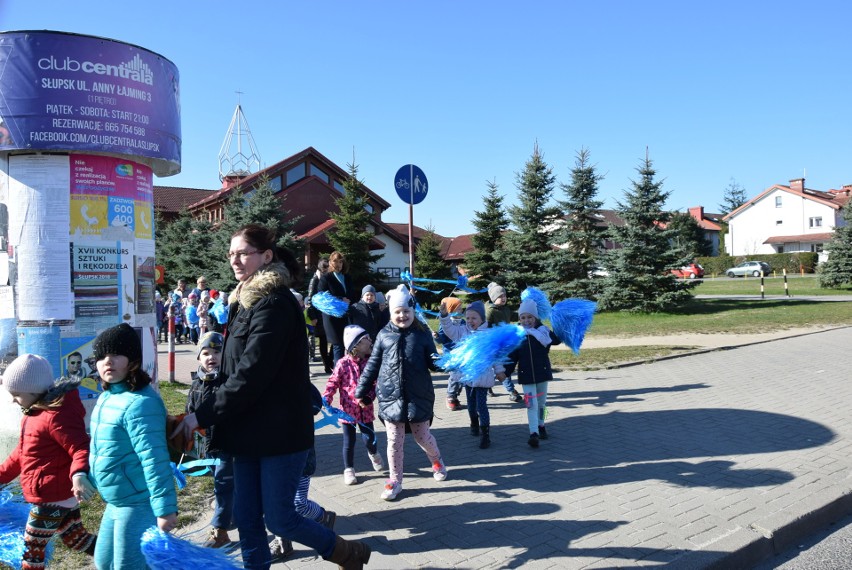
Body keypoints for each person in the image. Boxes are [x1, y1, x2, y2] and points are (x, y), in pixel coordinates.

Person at [171, 224, 371, 569]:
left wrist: (200, 416)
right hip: (245, 430)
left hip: (280, 431)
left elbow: (251, 374)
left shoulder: (275, 303)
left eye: (243, 253)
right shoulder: (242, 299)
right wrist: (204, 402)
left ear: (266, 257)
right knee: (248, 519)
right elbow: (232, 369)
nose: (235, 259)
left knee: (279, 519)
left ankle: (344, 551)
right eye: (231, 253)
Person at [88, 323, 178, 568]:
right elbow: (102, 449)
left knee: (127, 566)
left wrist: (165, 509)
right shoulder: (108, 397)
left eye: (116, 354)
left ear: (133, 361)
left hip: (138, 503)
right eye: (102, 356)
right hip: (115, 502)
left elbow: (155, 461)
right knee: (104, 562)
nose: (108, 361)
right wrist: (86, 476)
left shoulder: (141, 404)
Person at [0, 354, 98, 568]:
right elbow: (22, 453)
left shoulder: (55, 416)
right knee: (76, 539)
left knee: (32, 548)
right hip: (56, 493)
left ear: (34, 390)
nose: (13, 400)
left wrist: (79, 474)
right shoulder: (34, 413)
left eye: (16, 394)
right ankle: (119, 555)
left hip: (52, 496)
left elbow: (80, 446)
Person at [355, 284, 447, 502]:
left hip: (418, 395)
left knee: (422, 437)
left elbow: (433, 362)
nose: (402, 315)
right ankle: (395, 480)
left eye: (406, 311)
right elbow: (373, 364)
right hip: (390, 397)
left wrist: (447, 363)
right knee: (394, 441)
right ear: (391, 313)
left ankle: (437, 460)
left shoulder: (422, 334)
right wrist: (361, 389)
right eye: (397, 311)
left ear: (413, 311)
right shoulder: (384, 335)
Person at [184, 331, 235, 549]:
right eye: (205, 352)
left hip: (227, 444)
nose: (211, 356)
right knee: (222, 484)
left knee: (223, 485)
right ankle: (230, 514)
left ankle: (220, 532)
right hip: (208, 447)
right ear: (198, 357)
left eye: (216, 351)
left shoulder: (228, 381)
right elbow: (189, 412)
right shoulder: (196, 383)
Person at [439, 300, 504, 449]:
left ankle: (485, 434)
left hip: (482, 378)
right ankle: (474, 423)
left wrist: (499, 371)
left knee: (482, 406)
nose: (470, 321)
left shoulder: (488, 336)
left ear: (482, 319)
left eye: (474, 318)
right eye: (468, 318)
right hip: (468, 378)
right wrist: (444, 316)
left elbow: (495, 356)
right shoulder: (463, 331)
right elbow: (450, 331)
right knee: (471, 406)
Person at [323, 325, 383, 486]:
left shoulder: (371, 362)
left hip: (365, 409)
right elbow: (332, 382)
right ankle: (349, 469)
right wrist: (326, 399)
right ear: (355, 345)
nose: (370, 341)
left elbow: (376, 383)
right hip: (347, 410)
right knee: (349, 441)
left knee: (369, 438)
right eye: (366, 339)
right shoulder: (343, 364)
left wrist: (370, 397)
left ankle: (373, 452)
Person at [503, 299, 561, 448]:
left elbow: (556, 340)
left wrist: (544, 327)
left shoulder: (543, 332)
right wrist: (505, 372)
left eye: (530, 317)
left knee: (542, 404)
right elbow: (512, 357)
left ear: (535, 318)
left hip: (542, 374)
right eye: (523, 317)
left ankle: (541, 425)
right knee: (530, 405)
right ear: (519, 319)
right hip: (526, 376)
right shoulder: (517, 336)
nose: (526, 320)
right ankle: (533, 433)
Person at [485, 282, 523, 402]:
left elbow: (514, 316)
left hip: (504, 344)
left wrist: (523, 311)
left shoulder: (506, 309)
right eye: (500, 296)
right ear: (493, 298)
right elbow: (485, 327)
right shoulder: (490, 311)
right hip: (492, 344)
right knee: (498, 367)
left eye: (504, 296)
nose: (503, 298)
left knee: (501, 367)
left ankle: (488, 387)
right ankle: (511, 391)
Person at [318, 251, 355, 368]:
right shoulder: (326, 278)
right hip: (332, 316)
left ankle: (345, 371)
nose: (338, 264)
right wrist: (340, 299)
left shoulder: (347, 277)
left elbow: (352, 295)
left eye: (340, 262)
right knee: (338, 344)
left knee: (346, 343)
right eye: (335, 261)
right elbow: (321, 297)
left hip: (346, 314)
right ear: (330, 262)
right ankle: (338, 374)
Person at [434, 297, 462, 411]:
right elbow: (442, 339)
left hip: (462, 353)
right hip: (451, 354)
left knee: (462, 378)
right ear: (451, 310)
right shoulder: (445, 323)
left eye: (461, 309)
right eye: (458, 309)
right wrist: (437, 337)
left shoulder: (463, 322)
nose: (461, 311)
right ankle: (450, 396)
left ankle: (455, 395)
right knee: (455, 376)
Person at [307, 259, 332, 372]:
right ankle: (327, 364)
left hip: (327, 311)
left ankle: (329, 361)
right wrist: (313, 316)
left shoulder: (328, 278)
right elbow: (310, 299)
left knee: (333, 338)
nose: (327, 271)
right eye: (325, 269)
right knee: (323, 339)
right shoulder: (315, 280)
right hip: (318, 313)